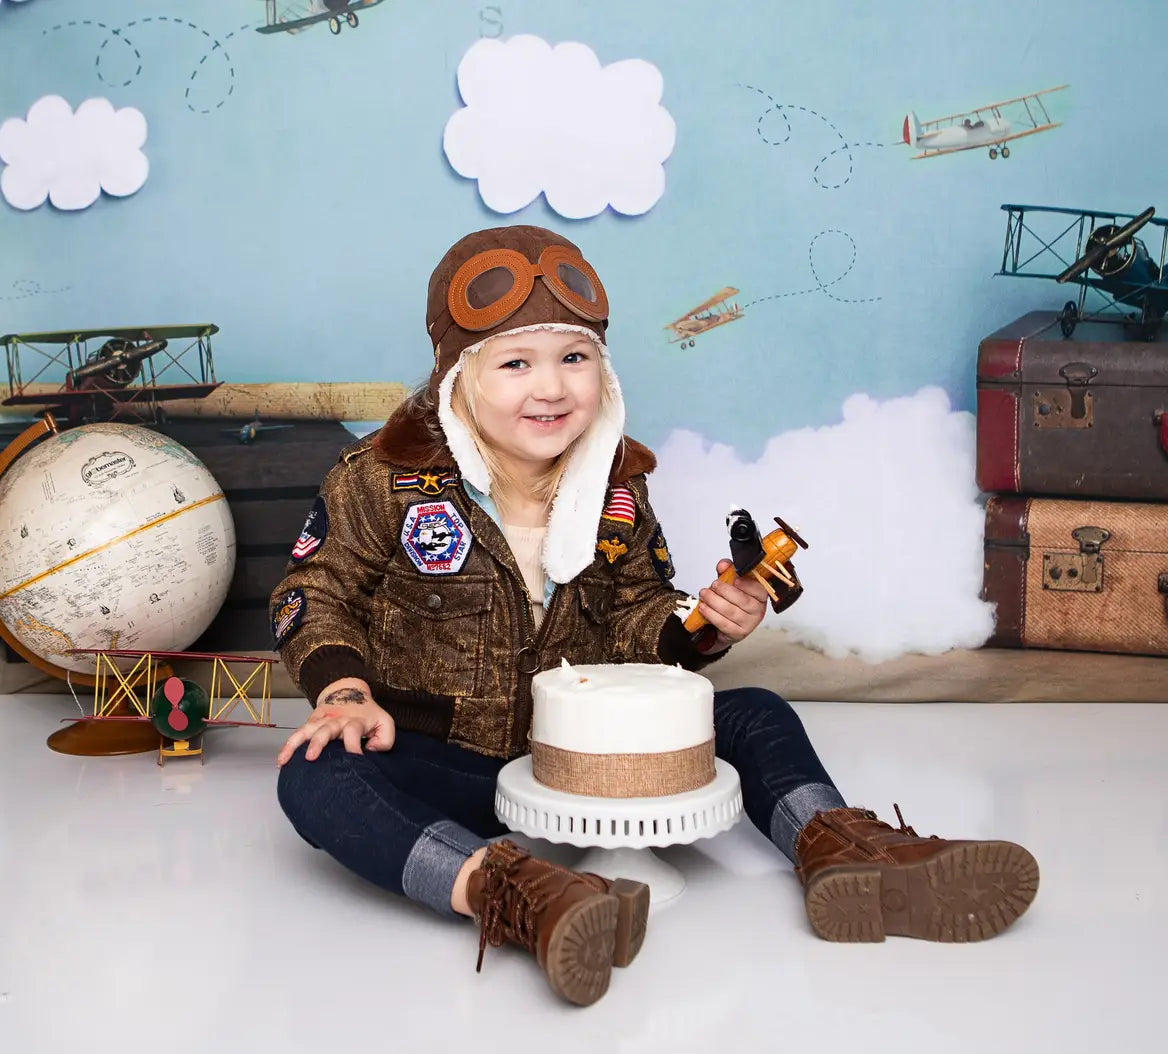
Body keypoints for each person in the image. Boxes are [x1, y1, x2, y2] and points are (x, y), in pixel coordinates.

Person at [270, 224, 1040, 1008]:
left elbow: (637, 615)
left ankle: (841, 851)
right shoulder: (383, 481)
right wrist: (344, 693)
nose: (552, 388)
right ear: (457, 378)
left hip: (582, 757)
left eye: (575, 358)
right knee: (317, 774)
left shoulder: (618, 492)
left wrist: (701, 624)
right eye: (515, 363)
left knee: (756, 714)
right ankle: (519, 895)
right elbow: (312, 590)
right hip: (449, 759)